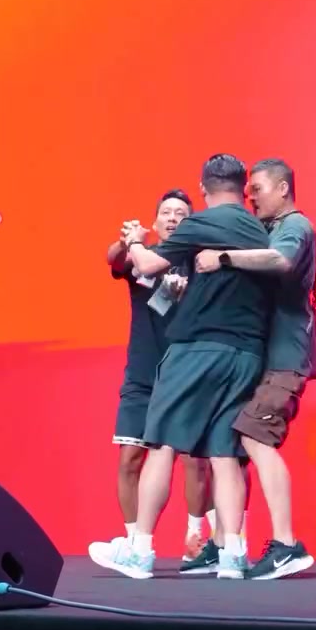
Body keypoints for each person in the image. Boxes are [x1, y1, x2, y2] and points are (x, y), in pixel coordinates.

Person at [115, 154, 272, 580]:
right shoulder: (258, 229)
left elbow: (146, 265)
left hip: (198, 349)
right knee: (225, 455)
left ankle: (140, 551)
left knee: (162, 443)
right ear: (244, 189)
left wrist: (135, 240)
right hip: (247, 354)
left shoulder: (200, 224)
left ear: (203, 189)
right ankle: (232, 554)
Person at [195, 158, 316, 579]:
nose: (251, 198)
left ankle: (286, 544)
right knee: (230, 444)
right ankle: (223, 543)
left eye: (258, 189)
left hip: (286, 359)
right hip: (260, 358)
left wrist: (223, 258)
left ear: (283, 189)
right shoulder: (264, 229)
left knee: (254, 435)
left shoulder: (295, 227)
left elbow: (280, 261)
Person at [88, 189, 216, 575]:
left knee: (195, 461)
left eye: (181, 213)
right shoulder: (141, 256)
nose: (173, 218)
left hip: (186, 375)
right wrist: (127, 239)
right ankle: (134, 543)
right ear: (156, 221)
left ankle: (196, 541)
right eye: (166, 213)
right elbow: (114, 259)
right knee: (130, 459)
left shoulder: (200, 262)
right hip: (142, 375)